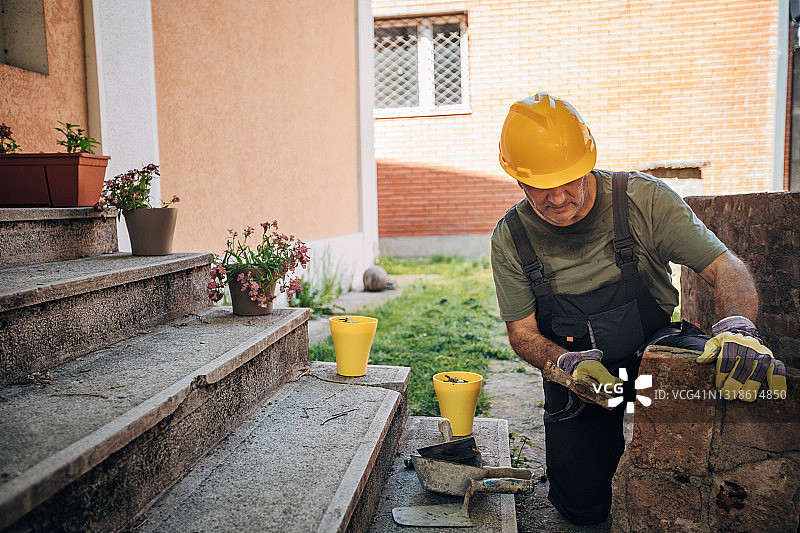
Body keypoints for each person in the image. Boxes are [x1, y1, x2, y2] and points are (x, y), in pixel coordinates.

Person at [490, 92, 787, 526]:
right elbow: (522, 334)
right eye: (539, 185)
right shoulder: (511, 238)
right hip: (582, 373)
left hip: (653, 355)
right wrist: (563, 364)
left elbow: (726, 267)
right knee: (582, 508)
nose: (557, 198)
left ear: (588, 164)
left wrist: (740, 326)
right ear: (518, 179)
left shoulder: (642, 200)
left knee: (711, 396)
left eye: (568, 179)